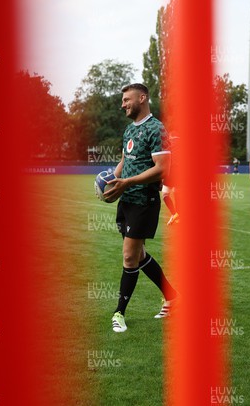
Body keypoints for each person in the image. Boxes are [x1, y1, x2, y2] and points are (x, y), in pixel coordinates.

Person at [103, 83, 179, 333]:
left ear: (142, 98)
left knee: (129, 256)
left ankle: (119, 313)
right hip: (126, 200)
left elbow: (162, 168)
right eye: (123, 100)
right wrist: (111, 183)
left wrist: (127, 183)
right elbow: (125, 160)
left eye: (127, 99)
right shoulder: (128, 131)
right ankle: (172, 296)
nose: (123, 104)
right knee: (139, 255)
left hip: (143, 201)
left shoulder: (156, 129)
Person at [162, 133, 179, 225]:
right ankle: (178, 215)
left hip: (171, 170)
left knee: (165, 194)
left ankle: (174, 213)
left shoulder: (168, 142)